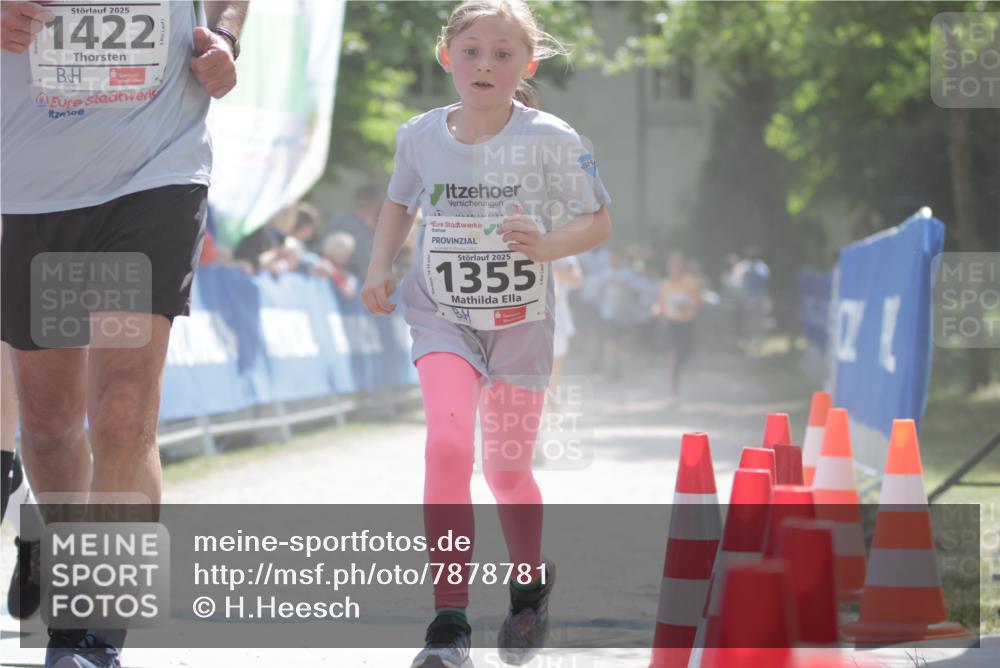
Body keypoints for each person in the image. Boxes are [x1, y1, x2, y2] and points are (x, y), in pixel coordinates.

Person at [360, 2, 612, 666]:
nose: (485, 65)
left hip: (520, 325)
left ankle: (528, 587)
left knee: (506, 471)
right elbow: (398, 201)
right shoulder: (419, 135)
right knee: (446, 448)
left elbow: (597, 221)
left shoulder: (553, 137)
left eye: (504, 54)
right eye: (472, 51)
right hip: (441, 314)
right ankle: (449, 625)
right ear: (447, 57)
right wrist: (379, 265)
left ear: (526, 66)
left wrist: (547, 244)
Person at [1, 2, 248, 667]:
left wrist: (225, 34)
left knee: (121, 408)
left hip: (154, 172)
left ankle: (95, 634)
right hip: (31, 186)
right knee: (50, 423)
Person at [652, 251, 703, 399]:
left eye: (677, 264)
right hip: (671, 324)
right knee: (674, 356)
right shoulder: (665, 284)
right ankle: (673, 390)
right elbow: (661, 305)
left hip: (687, 324)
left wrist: (686, 305)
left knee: (685, 355)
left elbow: (699, 304)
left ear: (682, 266)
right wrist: (655, 310)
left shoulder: (691, 282)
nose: (673, 267)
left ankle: (681, 382)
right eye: (671, 264)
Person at [327, 183, 382, 277]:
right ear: (375, 204)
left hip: (330, 274)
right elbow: (365, 265)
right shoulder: (363, 229)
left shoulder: (338, 219)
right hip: (348, 280)